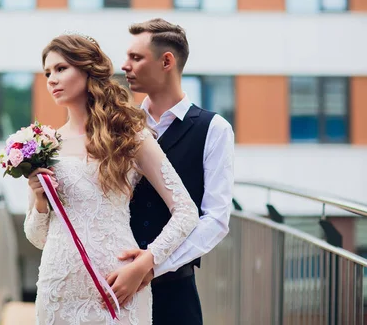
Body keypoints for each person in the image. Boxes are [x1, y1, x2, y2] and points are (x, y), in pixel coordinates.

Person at [23, 33, 200, 324]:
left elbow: (186, 211)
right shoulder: (44, 144)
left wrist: (147, 261)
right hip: (58, 292)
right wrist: (41, 201)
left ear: (87, 70)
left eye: (61, 69)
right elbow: (38, 238)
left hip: (118, 286)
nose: (51, 79)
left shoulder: (129, 136)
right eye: (47, 73)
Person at [109, 18, 235, 325]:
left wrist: (152, 266)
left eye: (136, 58)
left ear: (167, 61)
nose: (125, 66)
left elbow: (216, 219)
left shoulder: (214, 129)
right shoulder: (116, 126)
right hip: (112, 286)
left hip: (175, 293)